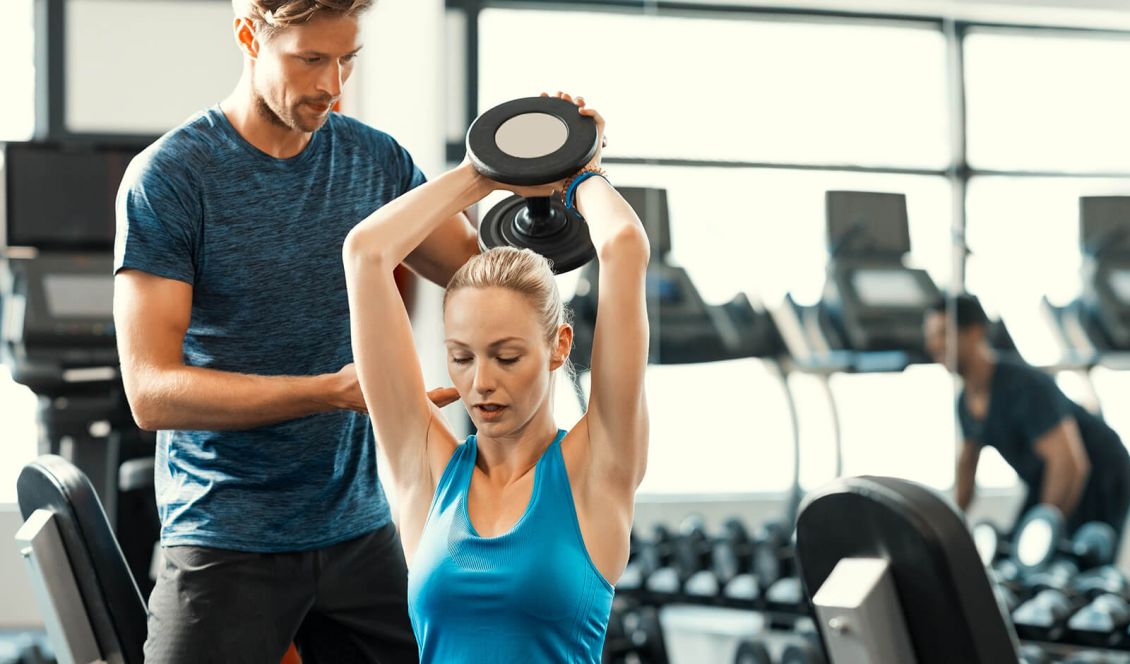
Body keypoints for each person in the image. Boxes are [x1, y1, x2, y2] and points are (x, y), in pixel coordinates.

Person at [112, 0, 478, 660]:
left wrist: (557, 176)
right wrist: (329, 391)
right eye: (311, 59)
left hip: (361, 529)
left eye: (347, 60)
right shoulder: (170, 179)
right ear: (249, 36)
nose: (333, 86)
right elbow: (151, 393)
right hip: (227, 534)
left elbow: (484, 276)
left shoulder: (376, 163)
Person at [343, 93, 650, 663]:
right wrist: (480, 170)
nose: (480, 382)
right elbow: (365, 253)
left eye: (507, 357)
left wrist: (584, 172)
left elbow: (624, 247)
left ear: (558, 346)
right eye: (461, 357)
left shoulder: (598, 465)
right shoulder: (425, 469)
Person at [924, 294, 1130, 545]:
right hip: (1047, 477)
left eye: (944, 333)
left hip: (1101, 473)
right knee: (1013, 549)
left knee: (1071, 559)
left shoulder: (1023, 385)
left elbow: (1071, 464)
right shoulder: (966, 402)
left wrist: (1040, 537)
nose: (935, 344)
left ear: (975, 332)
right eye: (931, 335)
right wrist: (947, 533)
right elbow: (966, 469)